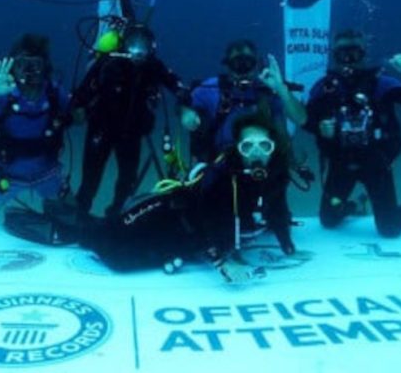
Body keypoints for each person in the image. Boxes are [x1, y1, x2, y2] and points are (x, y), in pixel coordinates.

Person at [76, 111, 293, 283]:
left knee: (124, 258)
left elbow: (279, 210)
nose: (256, 152)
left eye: (264, 145)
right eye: (248, 146)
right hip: (172, 210)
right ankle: (66, 225)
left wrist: (288, 246)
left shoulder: (278, 175)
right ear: (238, 149)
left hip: (187, 237)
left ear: (273, 149)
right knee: (109, 240)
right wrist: (222, 262)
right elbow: (203, 219)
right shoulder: (223, 175)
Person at [305, 30, 401, 237]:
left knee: (389, 229)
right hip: (341, 163)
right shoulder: (325, 87)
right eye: (343, 53)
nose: (348, 59)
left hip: (376, 163)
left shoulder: (381, 83)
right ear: (334, 55)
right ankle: (357, 206)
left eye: (355, 53)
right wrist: (320, 127)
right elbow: (307, 121)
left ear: (364, 54)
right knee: (328, 220)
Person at [181, 40, 306, 235]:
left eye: (248, 63)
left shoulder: (268, 90)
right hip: (222, 165)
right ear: (227, 66)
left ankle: (270, 212)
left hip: (260, 162)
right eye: (236, 63)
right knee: (214, 217)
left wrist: (281, 89)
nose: (243, 69)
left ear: (256, 64)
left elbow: (301, 118)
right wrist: (186, 113)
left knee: (278, 179)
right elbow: (184, 101)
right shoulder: (211, 89)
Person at [71, 23, 189, 219]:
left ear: (152, 48)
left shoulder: (154, 67)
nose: (137, 52)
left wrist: (185, 100)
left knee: (128, 178)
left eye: (143, 46)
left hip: (131, 133)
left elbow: (176, 84)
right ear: (124, 45)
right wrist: (77, 109)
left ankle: (117, 215)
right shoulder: (108, 63)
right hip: (101, 128)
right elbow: (83, 91)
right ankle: (80, 215)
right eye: (133, 45)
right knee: (90, 177)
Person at [0, 34, 71, 210]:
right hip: (8, 176)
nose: (29, 71)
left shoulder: (54, 92)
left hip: (47, 173)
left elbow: (77, 116)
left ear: (45, 67)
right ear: (13, 67)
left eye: (36, 65)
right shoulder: (3, 93)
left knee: (69, 212)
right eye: (22, 64)